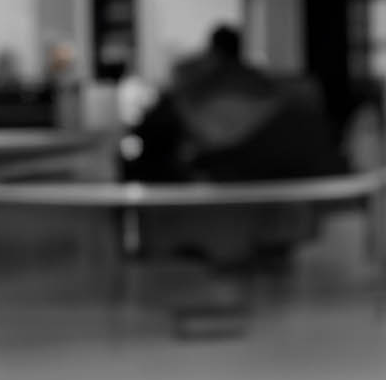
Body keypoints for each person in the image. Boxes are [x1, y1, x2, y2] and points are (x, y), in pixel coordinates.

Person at [128, 26, 348, 274]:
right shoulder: (250, 84)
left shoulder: (203, 86)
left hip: (254, 158)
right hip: (270, 155)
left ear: (214, 50)